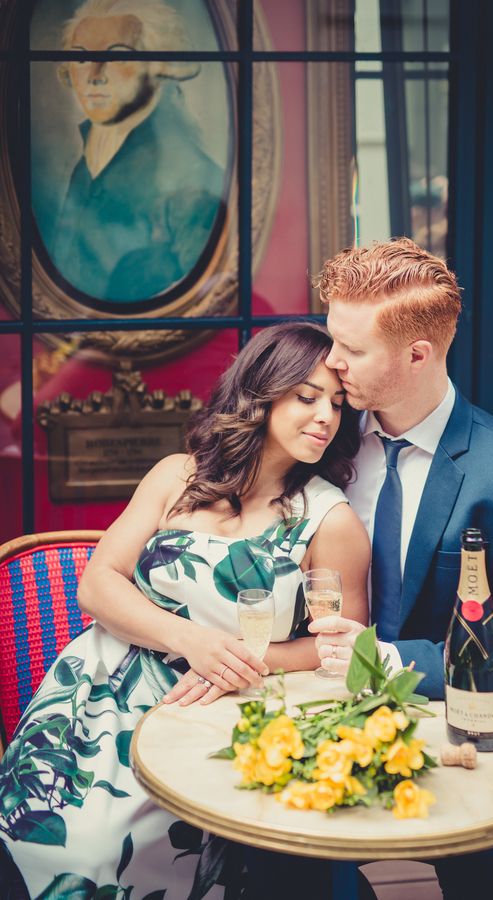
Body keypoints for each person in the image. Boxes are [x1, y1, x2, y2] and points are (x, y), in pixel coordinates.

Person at [0, 322, 370, 899]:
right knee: (42, 838)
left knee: (110, 856)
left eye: (338, 404)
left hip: (210, 711)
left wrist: (242, 657)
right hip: (94, 697)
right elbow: (98, 584)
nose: (326, 416)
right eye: (306, 397)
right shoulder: (178, 474)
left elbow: (340, 648)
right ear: (262, 391)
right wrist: (190, 639)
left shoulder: (329, 520)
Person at [308, 237, 493, 900]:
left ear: (416, 355)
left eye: (351, 349)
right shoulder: (320, 436)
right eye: (330, 339)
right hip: (324, 723)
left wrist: (386, 662)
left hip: (479, 742)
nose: (330, 362)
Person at [44, 0, 226, 302]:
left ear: (158, 67)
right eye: (80, 59)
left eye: (116, 57)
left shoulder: (190, 176)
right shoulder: (90, 159)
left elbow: (203, 301)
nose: (94, 75)